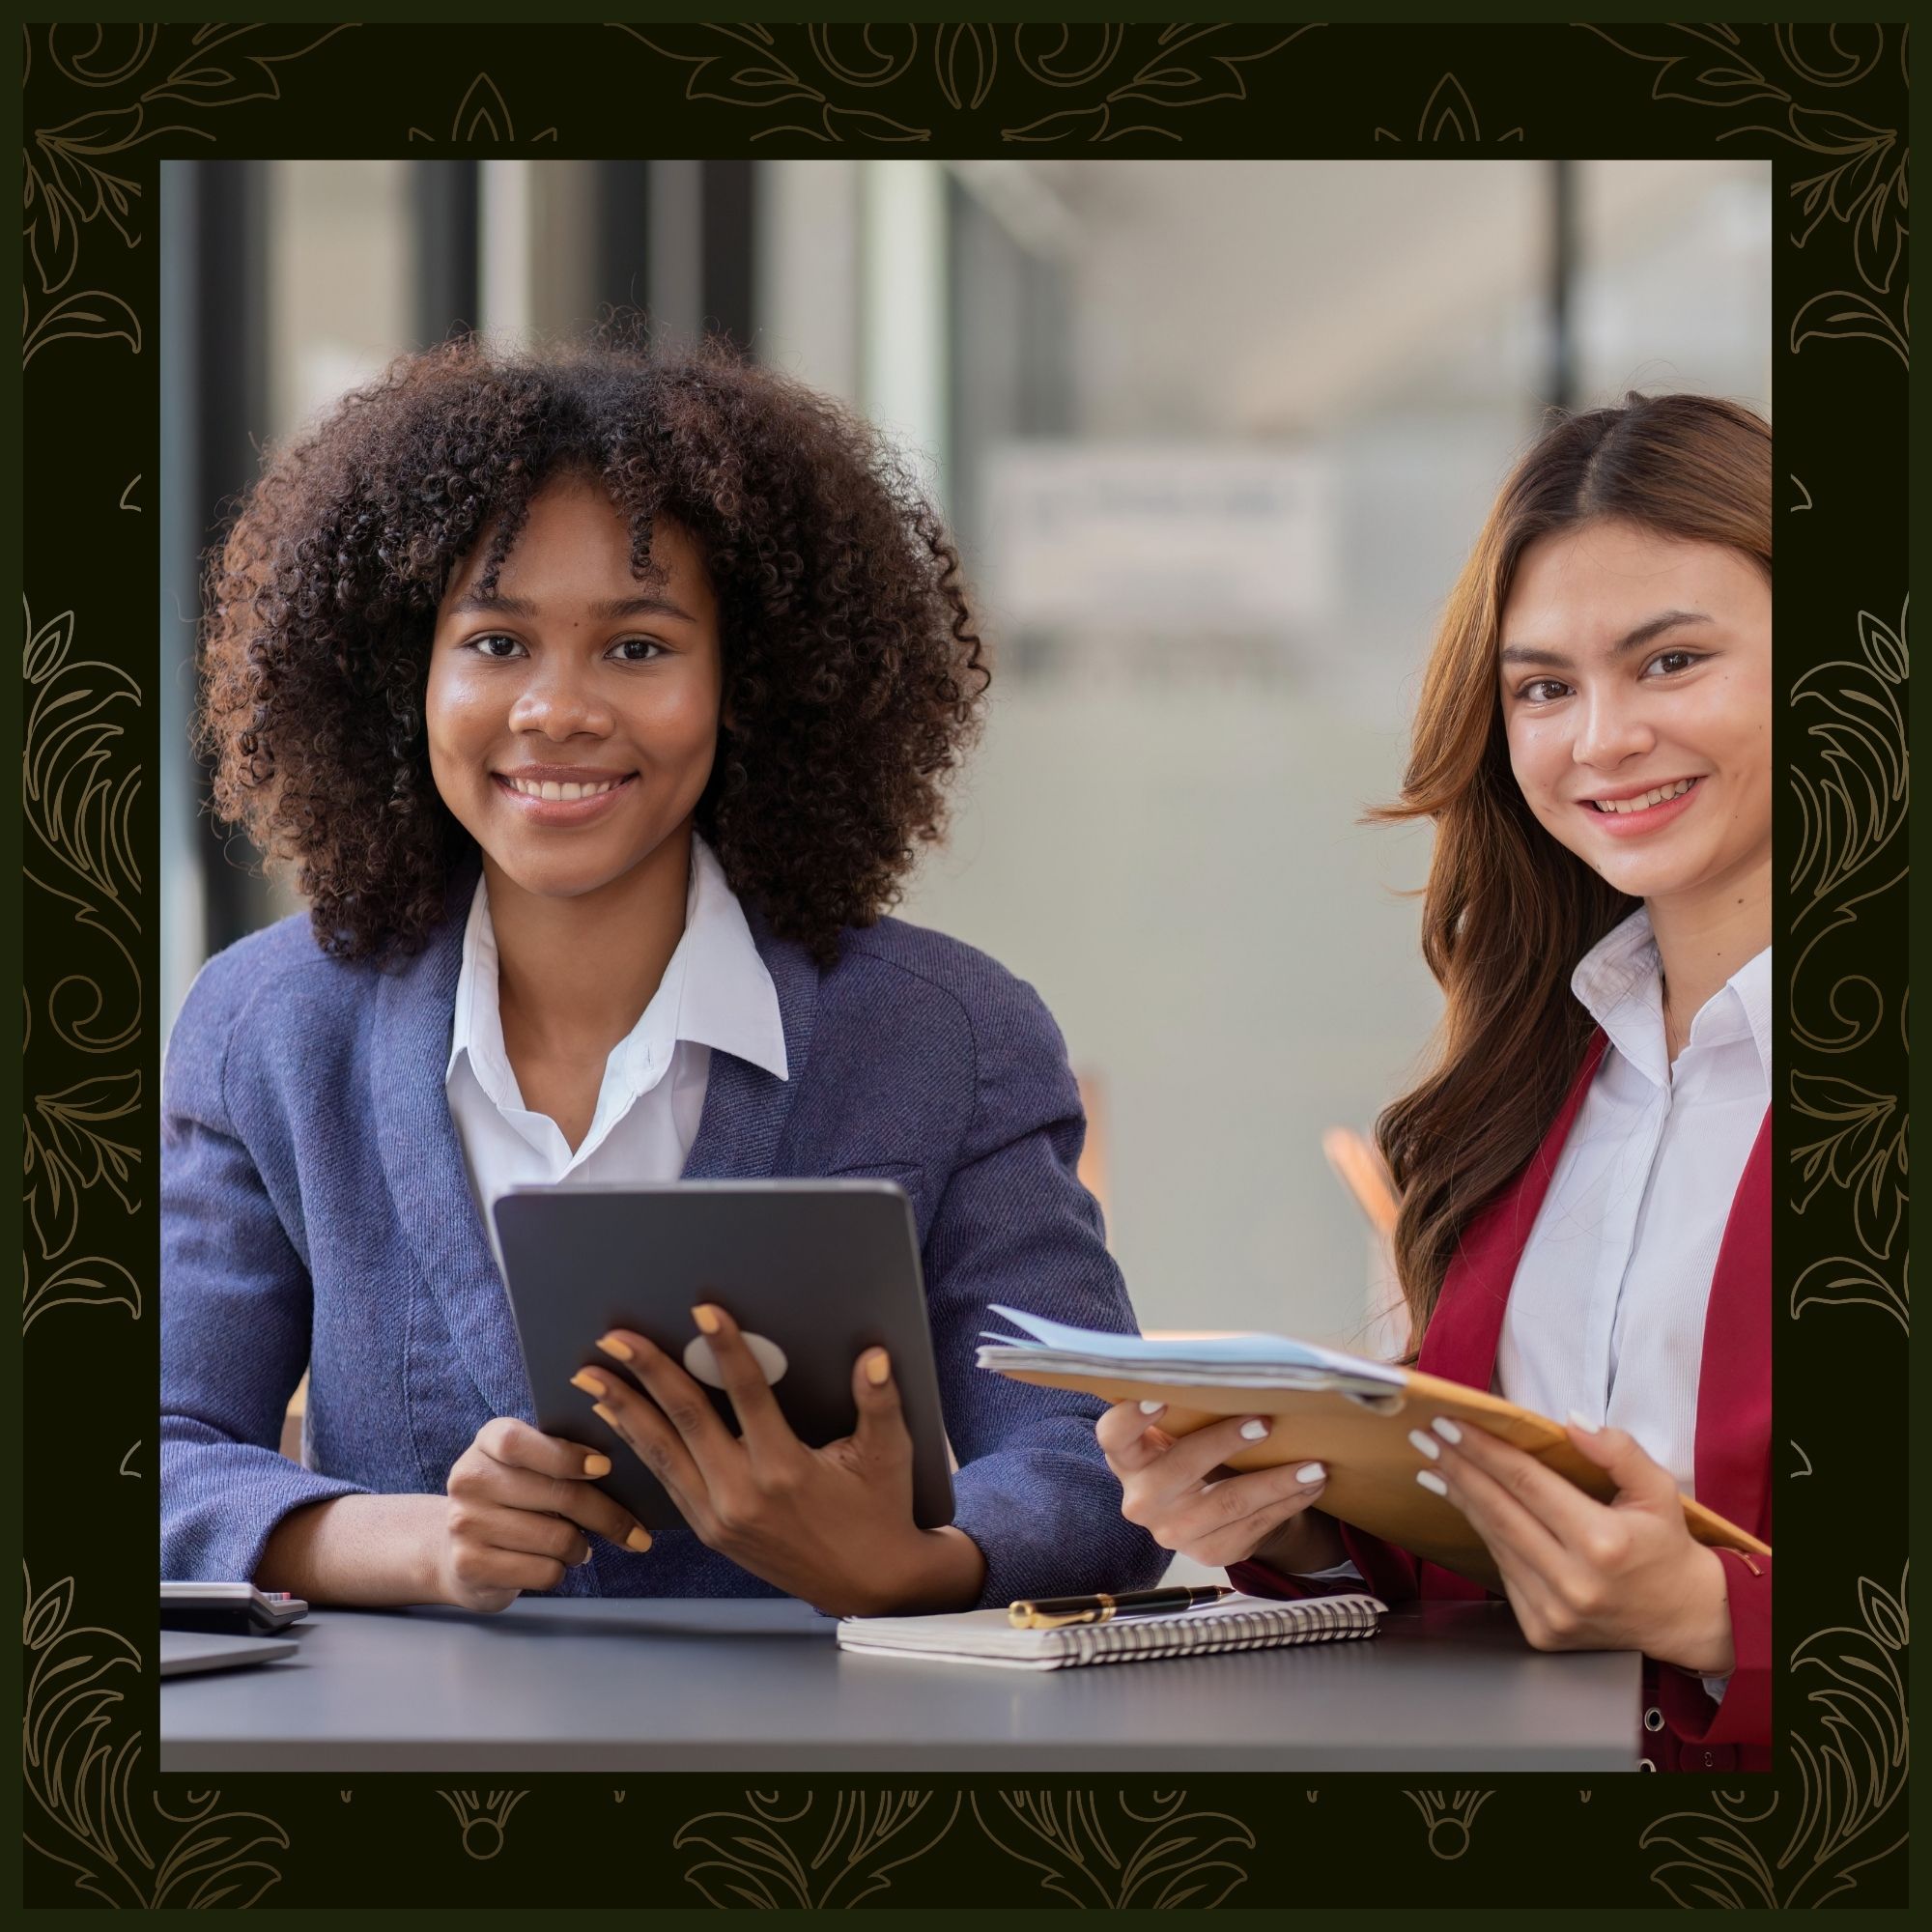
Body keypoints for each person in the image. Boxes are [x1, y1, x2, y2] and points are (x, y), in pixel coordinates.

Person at [162, 328, 1165, 1618]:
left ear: (747, 683)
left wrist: (918, 1557)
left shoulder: (944, 1035)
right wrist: (408, 1546)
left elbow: (1090, 1464)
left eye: (637, 648)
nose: (558, 709)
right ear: (399, 675)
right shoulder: (271, 1026)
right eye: (495, 643)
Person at [1097, 393, 1773, 1770]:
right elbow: (1462, 1558)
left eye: (1670, 662)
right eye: (1542, 688)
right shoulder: (1526, 1078)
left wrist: (1721, 1617)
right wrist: (1284, 1510)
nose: (1600, 740)